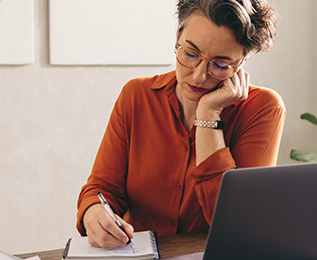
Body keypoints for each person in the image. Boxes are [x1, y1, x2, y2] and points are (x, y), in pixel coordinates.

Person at [76, 0, 283, 248]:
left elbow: (238, 225)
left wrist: (209, 114)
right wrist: (93, 213)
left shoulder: (262, 108)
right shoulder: (136, 96)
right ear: (178, 37)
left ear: (242, 63)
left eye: (220, 64)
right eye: (191, 54)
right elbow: (102, 188)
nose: (199, 75)